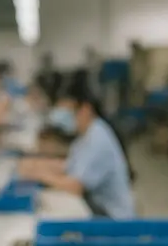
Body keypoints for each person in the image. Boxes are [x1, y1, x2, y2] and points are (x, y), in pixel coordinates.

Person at [18, 77, 135, 219]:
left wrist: (38, 175)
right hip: (95, 208)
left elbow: (75, 186)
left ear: (85, 109)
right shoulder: (86, 134)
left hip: (110, 219)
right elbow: (70, 166)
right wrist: (36, 165)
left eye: (68, 112)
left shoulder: (98, 139)